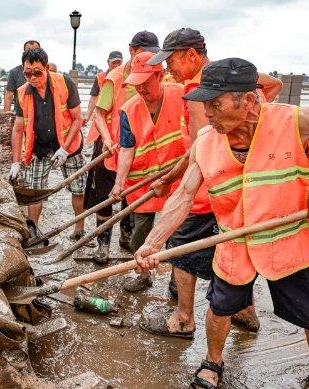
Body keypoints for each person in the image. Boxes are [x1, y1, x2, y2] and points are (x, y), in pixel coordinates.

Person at [134, 58, 309, 389]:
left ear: (248, 100)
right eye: (204, 104)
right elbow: (183, 196)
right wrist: (152, 244)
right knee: (220, 306)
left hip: (292, 238)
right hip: (235, 240)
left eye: (215, 103)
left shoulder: (294, 122)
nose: (207, 114)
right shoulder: (206, 142)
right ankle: (213, 361)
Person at [140, 28, 283, 337]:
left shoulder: (198, 90)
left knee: (180, 247)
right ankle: (246, 311)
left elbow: (197, 151)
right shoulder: (233, 80)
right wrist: (253, 113)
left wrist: (169, 179)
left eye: (172, 62)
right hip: (238, 184)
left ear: (192, 56)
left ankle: (183, 318)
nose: (168, 71)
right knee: (234, 244)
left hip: (209, 185)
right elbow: (275, 84)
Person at [109, 51, 187, 292]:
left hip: (178, 176)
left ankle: (177, 281)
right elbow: (126, 148)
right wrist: (119, 183)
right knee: (140, 233)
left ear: (160, 74)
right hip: (143, 180)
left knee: (178, 233)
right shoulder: (129, 110)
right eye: (136, 84)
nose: (141, 89)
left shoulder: (183, 95)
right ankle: (142, 274)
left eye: (146, 83)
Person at [85, 32, 160, 262]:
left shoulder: (157, 75)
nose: (147, 58)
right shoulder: (116, 77)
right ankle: (103, 243)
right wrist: (107, 138)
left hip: (140, 150)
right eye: (142, 53)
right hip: (111, 147)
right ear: (131, 50)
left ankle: (126, 237)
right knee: (105, 197)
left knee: (131, 195)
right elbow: (99, 113)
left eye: (153, 55)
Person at [9, 48, 86, 239]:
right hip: (39, 147)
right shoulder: (22, 93)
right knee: (34, 190)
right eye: (28, 73)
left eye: (37, 72)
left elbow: (77, 120)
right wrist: (16, 162)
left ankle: (79, 228)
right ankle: (33, 229)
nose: (33, 78)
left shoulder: (64, 83)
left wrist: (65, 149)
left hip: (69, 145)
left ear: (47, 67)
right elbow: (18, 129)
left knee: (78, 188)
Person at [85, 51, 123, 124]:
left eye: (119, 63)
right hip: (101, 116)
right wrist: (87, 115)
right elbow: (94, 97)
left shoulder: (125, 77)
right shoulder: (100, 77)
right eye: (113, 62)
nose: (116, 65)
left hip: (118, 118)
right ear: (108, 62)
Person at [4, 40, 41, 112]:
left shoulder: (45, 71)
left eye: (36, 50)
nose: (32, 53)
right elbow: (9, 96)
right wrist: (6, 117)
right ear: (24, 53)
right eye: (29, 50)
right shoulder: (14, 72)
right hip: (20, 113)